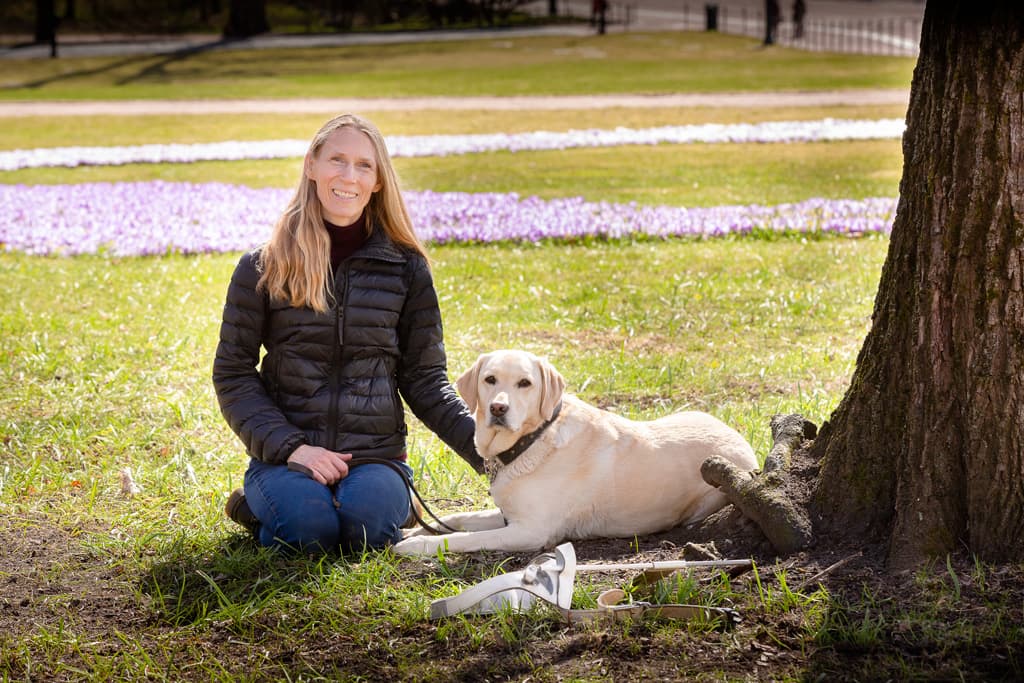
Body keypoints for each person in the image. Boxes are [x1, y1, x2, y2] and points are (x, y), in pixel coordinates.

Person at [213, 113, 483, 554]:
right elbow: (233, 373)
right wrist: (293, 448)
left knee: (367, 535)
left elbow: (425, 379)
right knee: (308, 534)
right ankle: (255, 505)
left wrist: (491, 458)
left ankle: (388, 499)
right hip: (288, 457)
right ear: (311, 166)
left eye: (364, 166)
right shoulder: (261, 267)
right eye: (337, 160)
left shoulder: (407, 267)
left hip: (375, 456)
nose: (348, 176)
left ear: (378, 181)